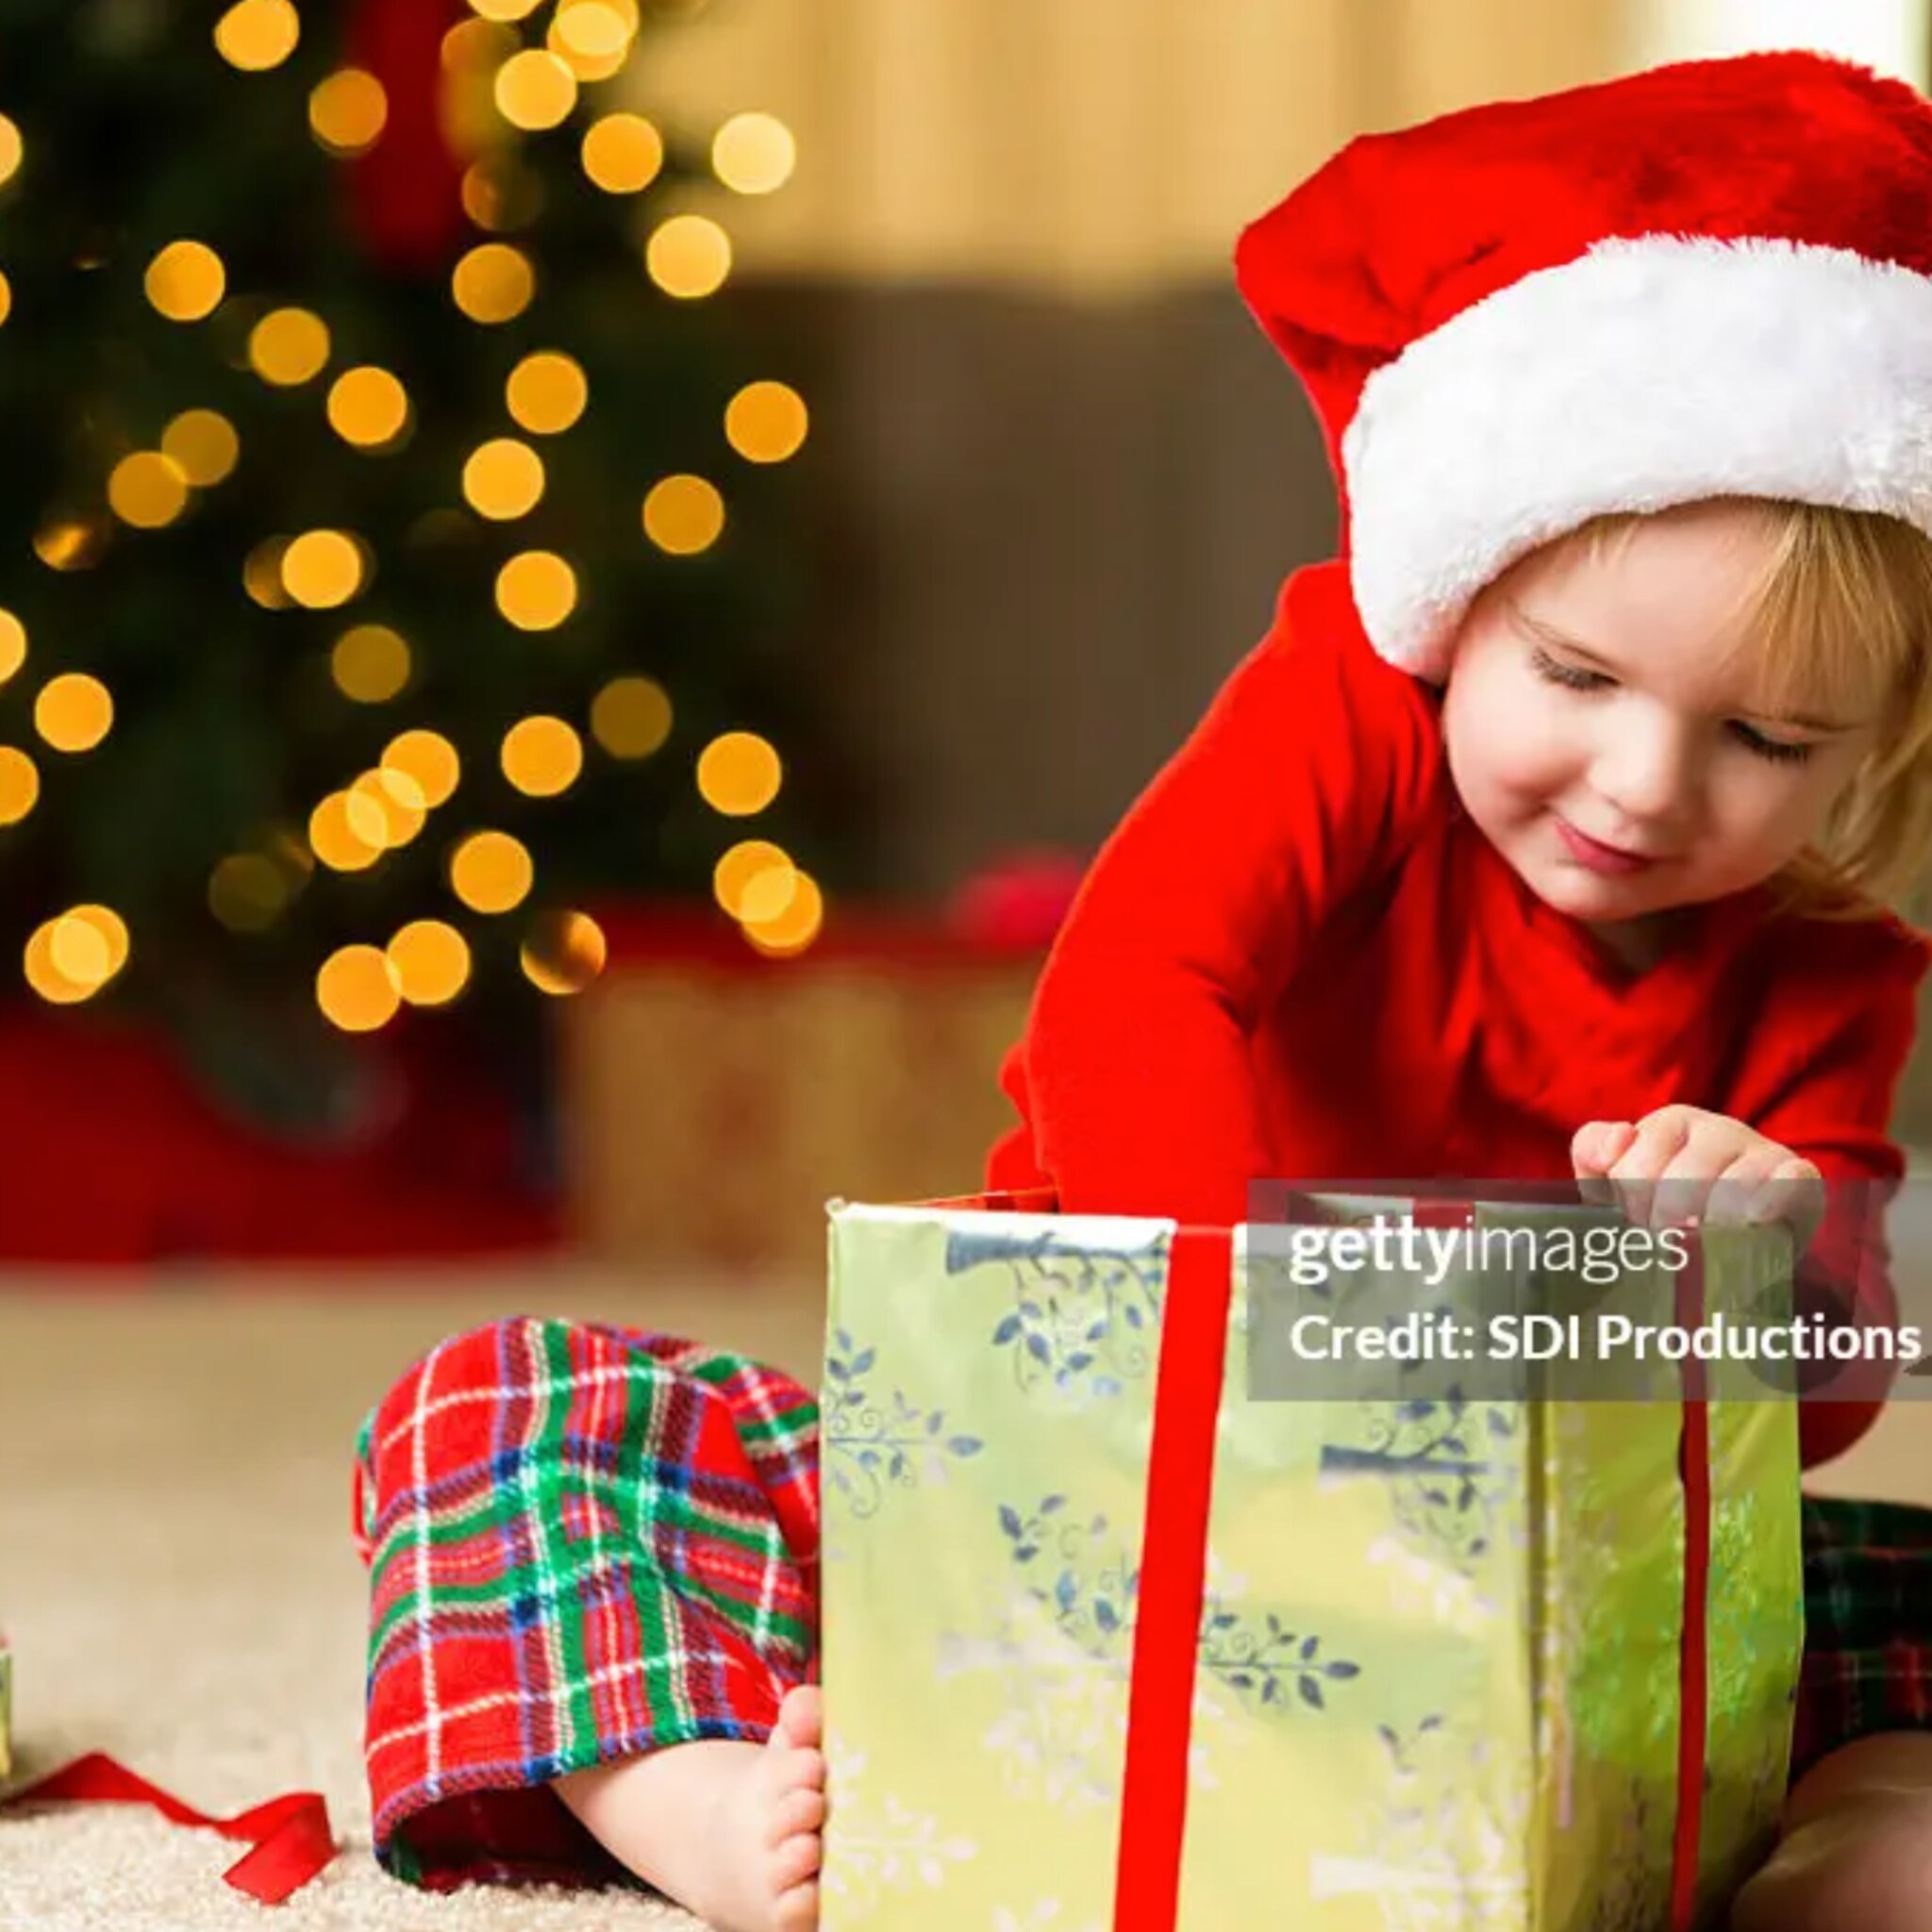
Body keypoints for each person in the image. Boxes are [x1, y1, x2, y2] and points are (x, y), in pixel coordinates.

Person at [353, 49, 1932, 1932]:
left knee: (1878, 1595)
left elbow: (1814, 1413)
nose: (1646, 782)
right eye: (1575, 675)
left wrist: (1769, 1261)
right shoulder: (1350, 713)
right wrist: (1258, 1386)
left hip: (1530, 1585)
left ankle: (1841, 1831)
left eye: (1760, 734)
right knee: (502, 1408)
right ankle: (679, 1780)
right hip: (1092, 1479)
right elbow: (1130, 983)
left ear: (1870, 752)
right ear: (1458, 594)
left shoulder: (1829, 966)